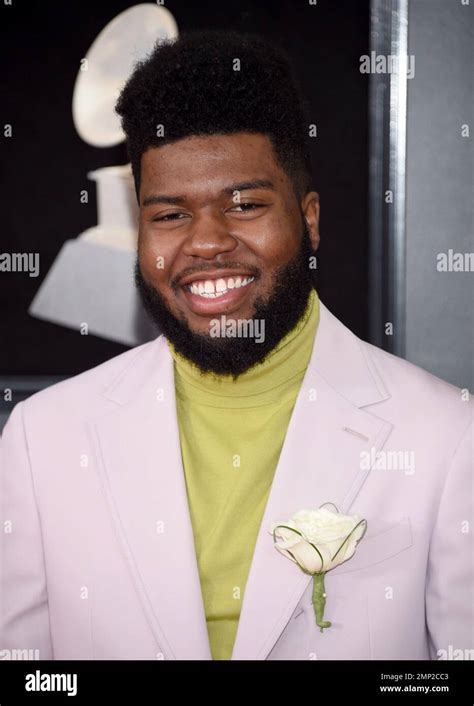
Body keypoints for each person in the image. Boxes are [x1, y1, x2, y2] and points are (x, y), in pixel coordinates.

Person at [1, 30, 472, 661]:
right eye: (169, 215)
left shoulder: (444, 435)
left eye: (244, 204)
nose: (206, 243)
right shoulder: (42, 438)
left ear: (309, 220)